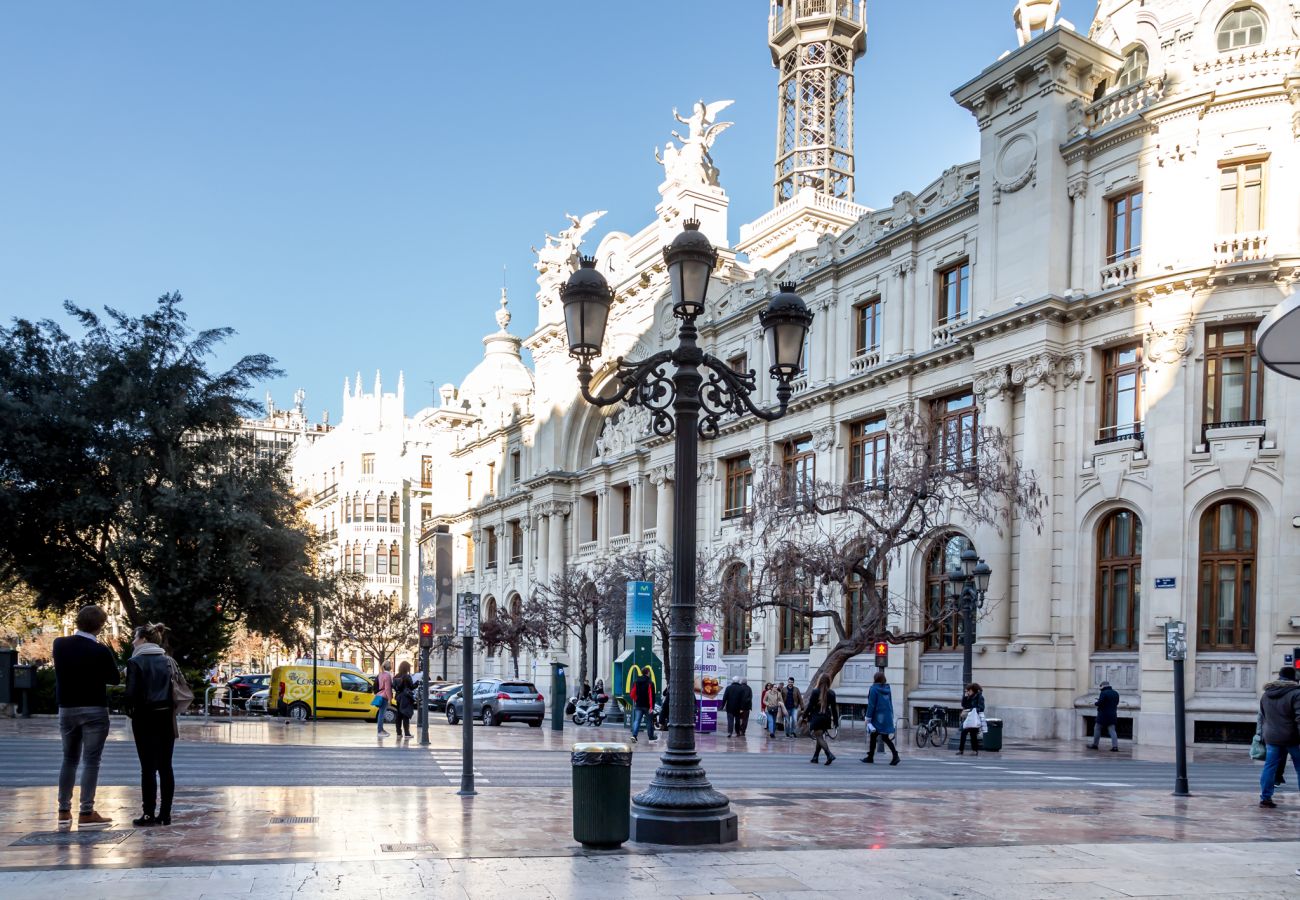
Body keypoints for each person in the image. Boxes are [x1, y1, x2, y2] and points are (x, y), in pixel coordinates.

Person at [52, 604, 120, 831]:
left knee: (68, 759)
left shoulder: (59, 645)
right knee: (91, 761)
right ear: (100, 626)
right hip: (94, 709)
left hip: (67, 708)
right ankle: (86, 811)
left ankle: (63, 811)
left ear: (78, 621)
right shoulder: (100, 650)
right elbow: (114, 678)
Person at [124, 623, 178, 827]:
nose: (133, 641)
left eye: (135, 637)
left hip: (144, 718)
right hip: (166, 717)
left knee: (147, 768)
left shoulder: (135, 662)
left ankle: (148, 813)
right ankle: (166, 814)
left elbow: (131, 694)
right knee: (166, 766)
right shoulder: (168, 661)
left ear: (144, 639)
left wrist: (130, 712)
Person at [1258, 666, 1300, 808]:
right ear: (1294, 678)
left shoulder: (1266, 694)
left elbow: (1262, 717)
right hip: (1292, 737)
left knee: (1269, 767)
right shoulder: (1296, 693)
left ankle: (1265, 798)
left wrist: (1261, 734)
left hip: (1272, 737)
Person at [863, 671, 900, 766]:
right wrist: (891, 715)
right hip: (886, 715)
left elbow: (871, 705)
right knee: (883, 737)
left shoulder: (874, 689)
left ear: (875, 679)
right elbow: (890, 702)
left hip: (877, 717)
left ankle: (894, 755)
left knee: (877, 736)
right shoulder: (887, 688)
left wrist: (868, 718)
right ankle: (871, 756)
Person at [806, 673, 838, 765]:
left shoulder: (815, 691)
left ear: (819, 680)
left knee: (819, 737)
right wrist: (836, 722)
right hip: (826, 717)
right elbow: (834, 709)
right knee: (820, 737)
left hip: (817, 717)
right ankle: (815, 757)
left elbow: (810, 706)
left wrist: (804, 716)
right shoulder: (832, 693)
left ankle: (829, 754)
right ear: (829, 681)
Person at [1088, 681, 1121, 751]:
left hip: (1103, 714)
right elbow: (1116, 703)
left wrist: (1095, 703)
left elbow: (1100, 703)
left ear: (1103, 686)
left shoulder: (1103, 693)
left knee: (1097, 728)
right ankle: (1115, 747)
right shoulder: (1116, 693)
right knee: (1112, 730)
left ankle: (1095, 745)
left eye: (1100, 686)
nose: (1100, 688)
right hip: (1112, 714)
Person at [958, 683, 986, 755]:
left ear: (973, 690)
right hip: (969, 718)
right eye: (967, 691)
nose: (968, 692)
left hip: (975, 718)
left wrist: (972, 709)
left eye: (969, 691)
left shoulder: (979, 697)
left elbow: (981, 708)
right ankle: (962, 750)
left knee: (972, 734)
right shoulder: (969, 697)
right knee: (964, 732)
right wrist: (965, 696)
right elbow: (964, 705)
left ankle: (974, 750)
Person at [629, 672, 656, 743]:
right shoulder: (650, 683)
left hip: (639, 704)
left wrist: (636, 700)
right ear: (647, 673)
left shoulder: (636, 681)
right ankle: (651, 737)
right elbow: (652, 696)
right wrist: (651, 707)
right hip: (647, 705)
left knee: (637, 721)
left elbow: (632, 694)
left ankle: (634, 736)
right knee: (649, 722)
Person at [393, 661, 416, 739]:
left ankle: (398, 732)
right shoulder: (407, 676)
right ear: (407, 668)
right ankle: (407, 733)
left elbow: (395, 687)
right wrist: (418, 683)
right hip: (406, 697)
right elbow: (412, 686)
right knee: (405, 714)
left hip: (398, 697)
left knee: (399, 715)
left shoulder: (396, 676)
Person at [375, 661, 393, 736]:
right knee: (382, 714)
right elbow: (387, 688)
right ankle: (380, 731)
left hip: (380, 695)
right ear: (389, 667)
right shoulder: (388, 676)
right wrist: (390, 698)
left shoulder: (380, 674)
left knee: (380, 713)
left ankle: (381, 729)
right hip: (384, 696)